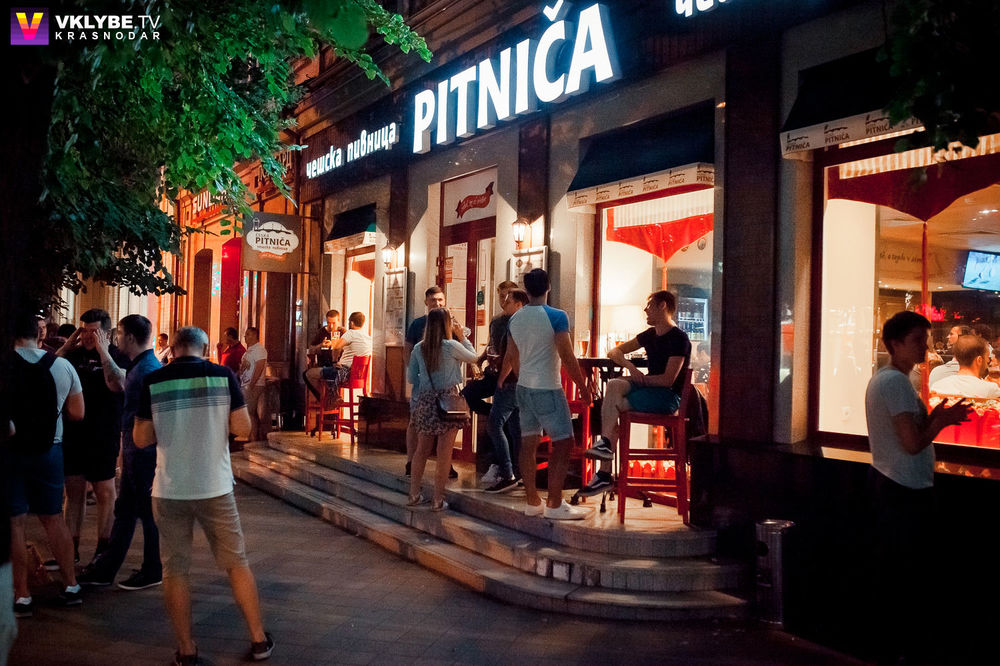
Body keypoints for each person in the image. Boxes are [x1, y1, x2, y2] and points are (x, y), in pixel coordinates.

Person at [133, 327, 273, 664]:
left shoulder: (153, 381)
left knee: (175, 569)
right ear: (205, 348)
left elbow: (141, 438)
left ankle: (186, 649)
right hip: (215, 486)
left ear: (174, 349)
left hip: (169, 488)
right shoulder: (222, 376)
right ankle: (258, 640)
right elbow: (243, 428)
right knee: (236, 563)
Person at [865, 311, 971, 664]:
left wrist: (938, 417)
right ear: (894, 344)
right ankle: (903, 649)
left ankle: (891, 646)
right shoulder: (895, 383)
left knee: (896, 571)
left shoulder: (886, 380)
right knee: (907, 574)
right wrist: (940, 422)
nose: (924, 347)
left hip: (891, 482)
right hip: (904, 488)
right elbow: (912, 443)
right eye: (916, 341)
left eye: (925, 340)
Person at [7, 310, 85, 617]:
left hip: (11, 452)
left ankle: (22, 595)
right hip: (50, 450)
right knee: (53, 518)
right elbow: (78, 412)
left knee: (15, 522)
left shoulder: (5, 365)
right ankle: (71, 585)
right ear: (38, 333)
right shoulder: (61, 365)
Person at [78, 314, 163, 590]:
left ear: (129, 337)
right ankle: (108, 568)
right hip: (136, 452)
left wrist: (103, 351)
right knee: (127, 510)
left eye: (119, 334)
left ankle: (151, 569)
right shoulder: (143, 366)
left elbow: (118, 385)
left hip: (142, 453)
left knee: (144, 513)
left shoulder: (145, 369)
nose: (115, 339)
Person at [580, 291, 692, 497]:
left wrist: (640, 379)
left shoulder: (679, 338)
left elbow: (667, 380)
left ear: (662, 306)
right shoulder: (649, 335)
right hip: (649, 388)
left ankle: (604, 472)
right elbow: (614, 352)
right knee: (614, 384)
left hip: (667, 397)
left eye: (649, 305)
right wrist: (630, 367)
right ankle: (605, 455)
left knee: (613, 406)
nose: (645, 310)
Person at [501, 269, 592, 520]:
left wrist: (522, 378)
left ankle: (532, 501)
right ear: (548, 286)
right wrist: (583, 387)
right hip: (548, 387)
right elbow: (567, 356)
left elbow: (512, 356)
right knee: (564, 442)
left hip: (524, 387)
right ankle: (554, 503)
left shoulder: (515, 319)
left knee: (528, 443)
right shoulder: (557, 316)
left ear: (526, 290)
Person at [55, 308, 128, 567]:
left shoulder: (117, 355)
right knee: (73, 491)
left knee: (105, 491)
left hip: (104, 432)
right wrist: (66, 346)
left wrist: (103, 351)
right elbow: (48, 372)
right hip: (74, 432)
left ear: (106, 332)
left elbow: (118, 384)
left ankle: (102, 550)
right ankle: (70, 549)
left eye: (93, 331)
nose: (87, 336)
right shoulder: (72, 355)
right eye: (84, 331)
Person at [407, 308, 478, 511]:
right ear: (447, 324)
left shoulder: (419, 348)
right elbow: (473, 358)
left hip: (426, 401)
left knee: (421, 450)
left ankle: (414, 494)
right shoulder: (451, 345)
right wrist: (463, 337)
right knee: (444, 453)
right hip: (448, 402)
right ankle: (437, 499)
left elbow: (411, 378)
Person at [404, 286, 457, 480]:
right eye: (433, 300)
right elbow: (407, 350)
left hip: (445, 385)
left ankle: (446, 464)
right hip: (423, 384)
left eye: (440, 300)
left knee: (446, 423)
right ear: (426, 302)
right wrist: (415, 374)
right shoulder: (417, 324)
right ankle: (411, 462)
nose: (437, 303)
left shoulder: (450, 323)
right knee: (415, 421)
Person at [483, 288, 529, 493]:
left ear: (518, 304)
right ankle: (520, 472)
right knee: (516, 428)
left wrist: (501, 378)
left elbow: (512, 355)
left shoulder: (516, 323)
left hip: (511, 382)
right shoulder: (527, 322)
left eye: (508, 301)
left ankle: (507, 472)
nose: (504, 304)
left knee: (494, 424)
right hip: (522, 382)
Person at [303, 312, 372, 400]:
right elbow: (311, 349)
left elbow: (336, 347)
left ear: (351, 323)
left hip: (342, 372)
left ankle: (328, 399)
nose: (331, 326)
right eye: (328, 323)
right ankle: (330, 398)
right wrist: (321, 345)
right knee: (321, 373)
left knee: (308, 374)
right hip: (357, 375)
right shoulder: (368, 337)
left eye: (334, 323)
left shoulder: (348, 333)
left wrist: (333, 351)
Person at [930, 334, 1000, 399]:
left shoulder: (937, 387)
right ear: (979, 360)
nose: (988, 361)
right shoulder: (991, 390)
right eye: (987, 357)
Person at [240, 327, 268, 443]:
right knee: (249, 412)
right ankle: (253, 436)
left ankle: (254, 438)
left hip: (254, 384)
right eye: (245, 334)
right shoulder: (249, 350)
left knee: (250, 411)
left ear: (255, 335)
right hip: (245, 383)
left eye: (248, 334)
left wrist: (252, 383)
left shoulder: (259, 349)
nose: (245, 337)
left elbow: (259, 366)